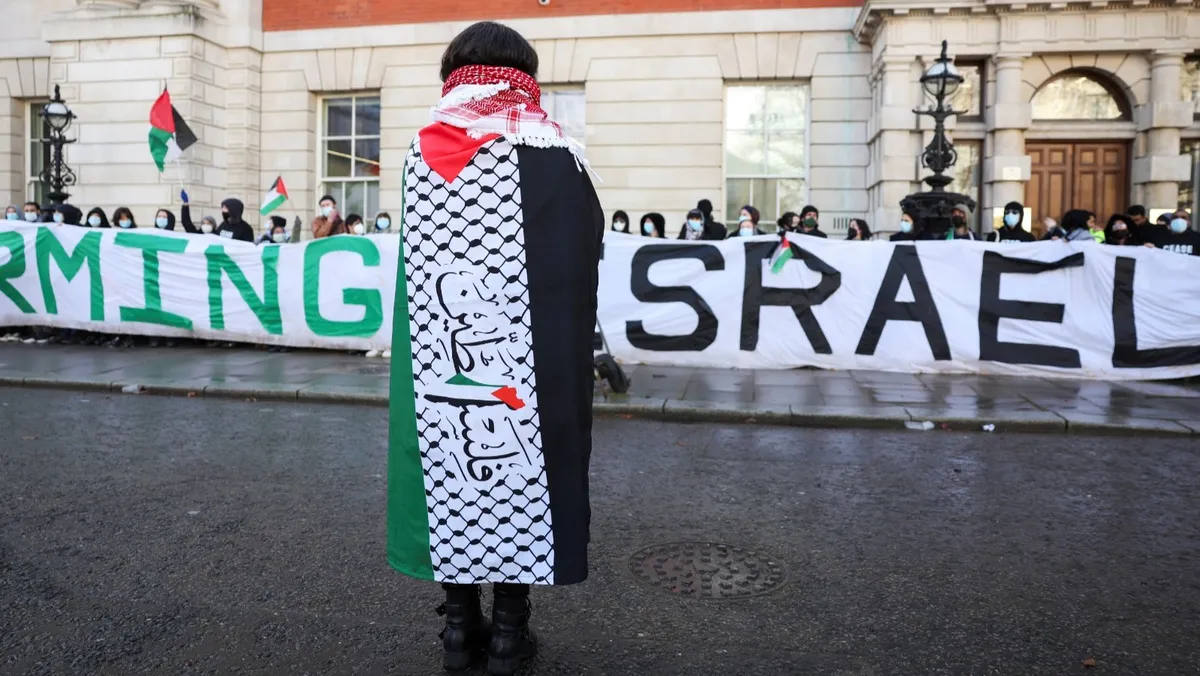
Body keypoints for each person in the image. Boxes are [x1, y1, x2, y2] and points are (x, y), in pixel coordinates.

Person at [388, 21, 601, 676]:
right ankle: (509, 633)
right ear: (524, 78)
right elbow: (585, 252)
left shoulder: (422, 155)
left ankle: (459, 627)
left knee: (450, 469)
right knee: (519, 475)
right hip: (528, 370)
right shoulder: (557, 154)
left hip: (444, 364)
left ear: (454, 77)